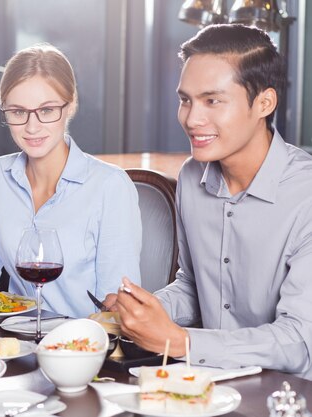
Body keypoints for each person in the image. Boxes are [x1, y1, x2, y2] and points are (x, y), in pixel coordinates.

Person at [111, 24, 312, 380]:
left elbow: (298, 340)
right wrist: (144, 312)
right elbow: (192, 285)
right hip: (205, 384)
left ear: (264, 103)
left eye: (212, 100)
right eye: (185, 99)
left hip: (288, 395)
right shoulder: (192, 176)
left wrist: (179, 341)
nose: (191, 118)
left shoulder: (305, 194)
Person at [0, 44, 142, 318]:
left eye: (47, 110)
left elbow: (117, 301)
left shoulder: (111, 186)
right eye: (18, 112)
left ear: (70, 105)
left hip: (85, 346)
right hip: (18, 339)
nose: (32, 127)